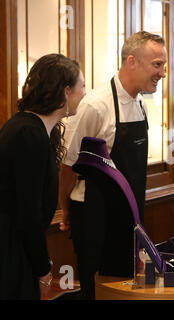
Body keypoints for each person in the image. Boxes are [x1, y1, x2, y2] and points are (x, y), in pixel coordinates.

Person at [59, 31, 166, 299]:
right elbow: (69, 165)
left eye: (163, 65)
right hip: (95, 216)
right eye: (157, 64)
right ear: (132, 61)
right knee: (96, 292)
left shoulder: (140, 102)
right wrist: (65, 210)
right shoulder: (95, 106)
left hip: (128, 217)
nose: (163, 72)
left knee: (124, 291)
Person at [0, 54, 85, 299]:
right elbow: (28, 212)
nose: (85, 93)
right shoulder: (29, 133)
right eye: (82, 86)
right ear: (66, 91)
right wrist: (42, 269)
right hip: (11, 249)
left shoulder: (32, 128)